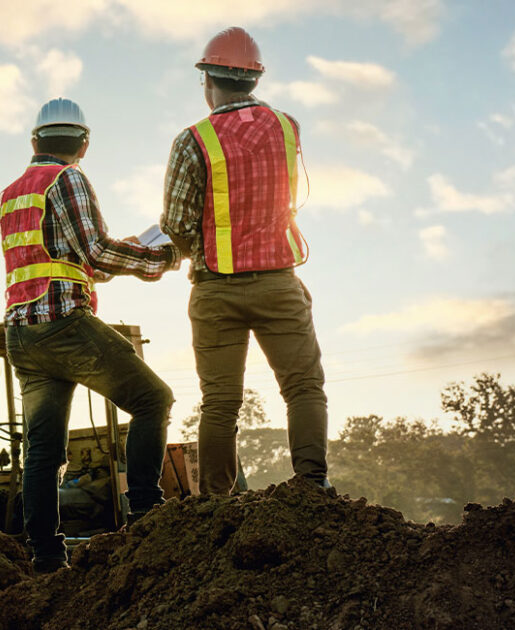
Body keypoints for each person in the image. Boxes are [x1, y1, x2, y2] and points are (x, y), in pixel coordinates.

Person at [0, 97, 181, 574]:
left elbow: (66, 261)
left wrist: (124, 253)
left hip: (21, 334)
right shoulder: (69, 178)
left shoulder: (12, 193)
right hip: (64, 326)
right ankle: (145, 515)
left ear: (34, 141)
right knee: (153, 400)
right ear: (84, 145)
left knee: (43, 451)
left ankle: (45, 556)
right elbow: (96, 253)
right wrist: (160, 258)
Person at [159, 27, 330, 495]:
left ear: (207, 81)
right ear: (254, 79)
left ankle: (217, 504)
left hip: (216, 289)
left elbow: (177, 224)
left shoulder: (192, 140)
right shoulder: (288, 126)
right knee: (303, 388)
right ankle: (313, 489)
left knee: (220, 403)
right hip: (279, 284)